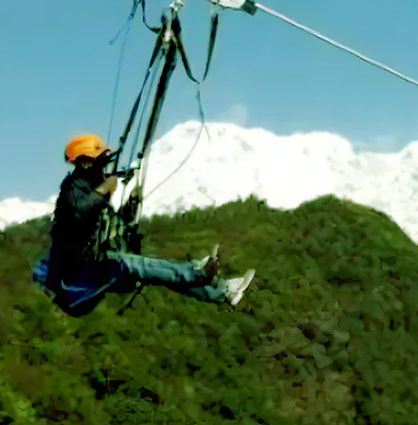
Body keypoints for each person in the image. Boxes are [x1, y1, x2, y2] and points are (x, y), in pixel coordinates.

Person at [33, 134, 254, 317]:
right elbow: (79, 210)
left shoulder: (88, 194)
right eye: (101, 163)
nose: (105, 168)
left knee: (154, 271)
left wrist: (129, 205)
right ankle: (196, 272)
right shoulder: (72, 188)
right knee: (130, 264)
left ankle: (223, 292)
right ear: (86, 163)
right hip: (73, 287)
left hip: (91, 273)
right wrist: (104, 190)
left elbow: (110, 226)